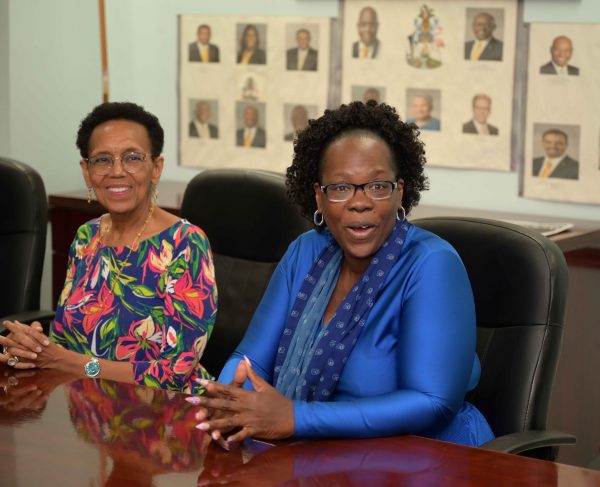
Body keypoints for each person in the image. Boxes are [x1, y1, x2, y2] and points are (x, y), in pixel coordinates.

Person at [187, 101, 494, 449]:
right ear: (319, 197)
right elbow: (251, 359)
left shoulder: (432, 264)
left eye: (377, 186)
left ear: (400, 193)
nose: (360, 202)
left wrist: (296, 417)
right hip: (318, 451)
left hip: (422, 456)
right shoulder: (305, 252)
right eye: (341, 187)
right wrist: (229, 401)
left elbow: (432, 402)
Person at [0, 102, 218, 394]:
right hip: (87, 406)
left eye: (132, 158)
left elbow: (174, 373)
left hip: (167, 411)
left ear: (156, 168)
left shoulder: (185, 244)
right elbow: (64, 341)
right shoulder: (87, 237)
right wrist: (33, 348)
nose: (117, 171)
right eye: (102, 160)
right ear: (87, 172)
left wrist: (70, 363)